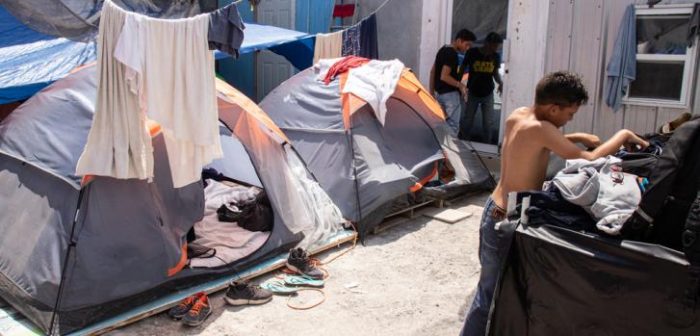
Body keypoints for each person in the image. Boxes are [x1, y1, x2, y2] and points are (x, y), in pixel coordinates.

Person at [460, 71, 649, 336]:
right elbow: (590, 157)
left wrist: (574, 135)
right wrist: (623, 134)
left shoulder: (520, 116)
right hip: (506, 217)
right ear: (553, 108)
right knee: (489, 295)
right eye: (569, 115)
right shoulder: (542, 129)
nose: (569, 119)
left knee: (494, 290)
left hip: (493, 209)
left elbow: (537, 141)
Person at [430, 29, 477, 135]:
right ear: (459, 40)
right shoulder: (452, 54)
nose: (468, 48)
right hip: (450, 96)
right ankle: (450, 151)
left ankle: (441, 150)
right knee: (453, 127)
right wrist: (460, 85)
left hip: (439, 94)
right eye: (467, 44)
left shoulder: (442, 49)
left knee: (440, 126)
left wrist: (432, 92)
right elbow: (444, 76)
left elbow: (432, 72)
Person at [460, 32, 504, 143]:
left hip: (488, 93)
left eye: (497, 46)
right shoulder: (472, 53)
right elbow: (462, 68)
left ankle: (487, 144)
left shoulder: (495, 56)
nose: (495, 48)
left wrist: (501, 83)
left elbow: (495, 73)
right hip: (473, 92)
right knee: (468, 120)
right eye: (494, 45)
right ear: (487, 43)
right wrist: (459, 85)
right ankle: (464, 142)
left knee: (488, 122)